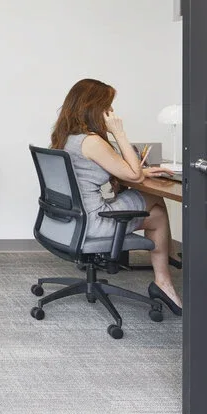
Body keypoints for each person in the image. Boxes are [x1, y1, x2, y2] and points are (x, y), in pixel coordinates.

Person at [51, 78, 182, 315]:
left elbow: (124, 172)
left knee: (153, 206)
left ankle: (167, 266)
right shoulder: (91, 141)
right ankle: (164, 279)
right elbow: (134, 176)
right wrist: (120, 133)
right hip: (93, 222)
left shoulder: (67, 137)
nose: (111, 112)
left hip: (71, 219)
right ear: (94, 107)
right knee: (157, 210)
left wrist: (142, 172)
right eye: (108, 106)